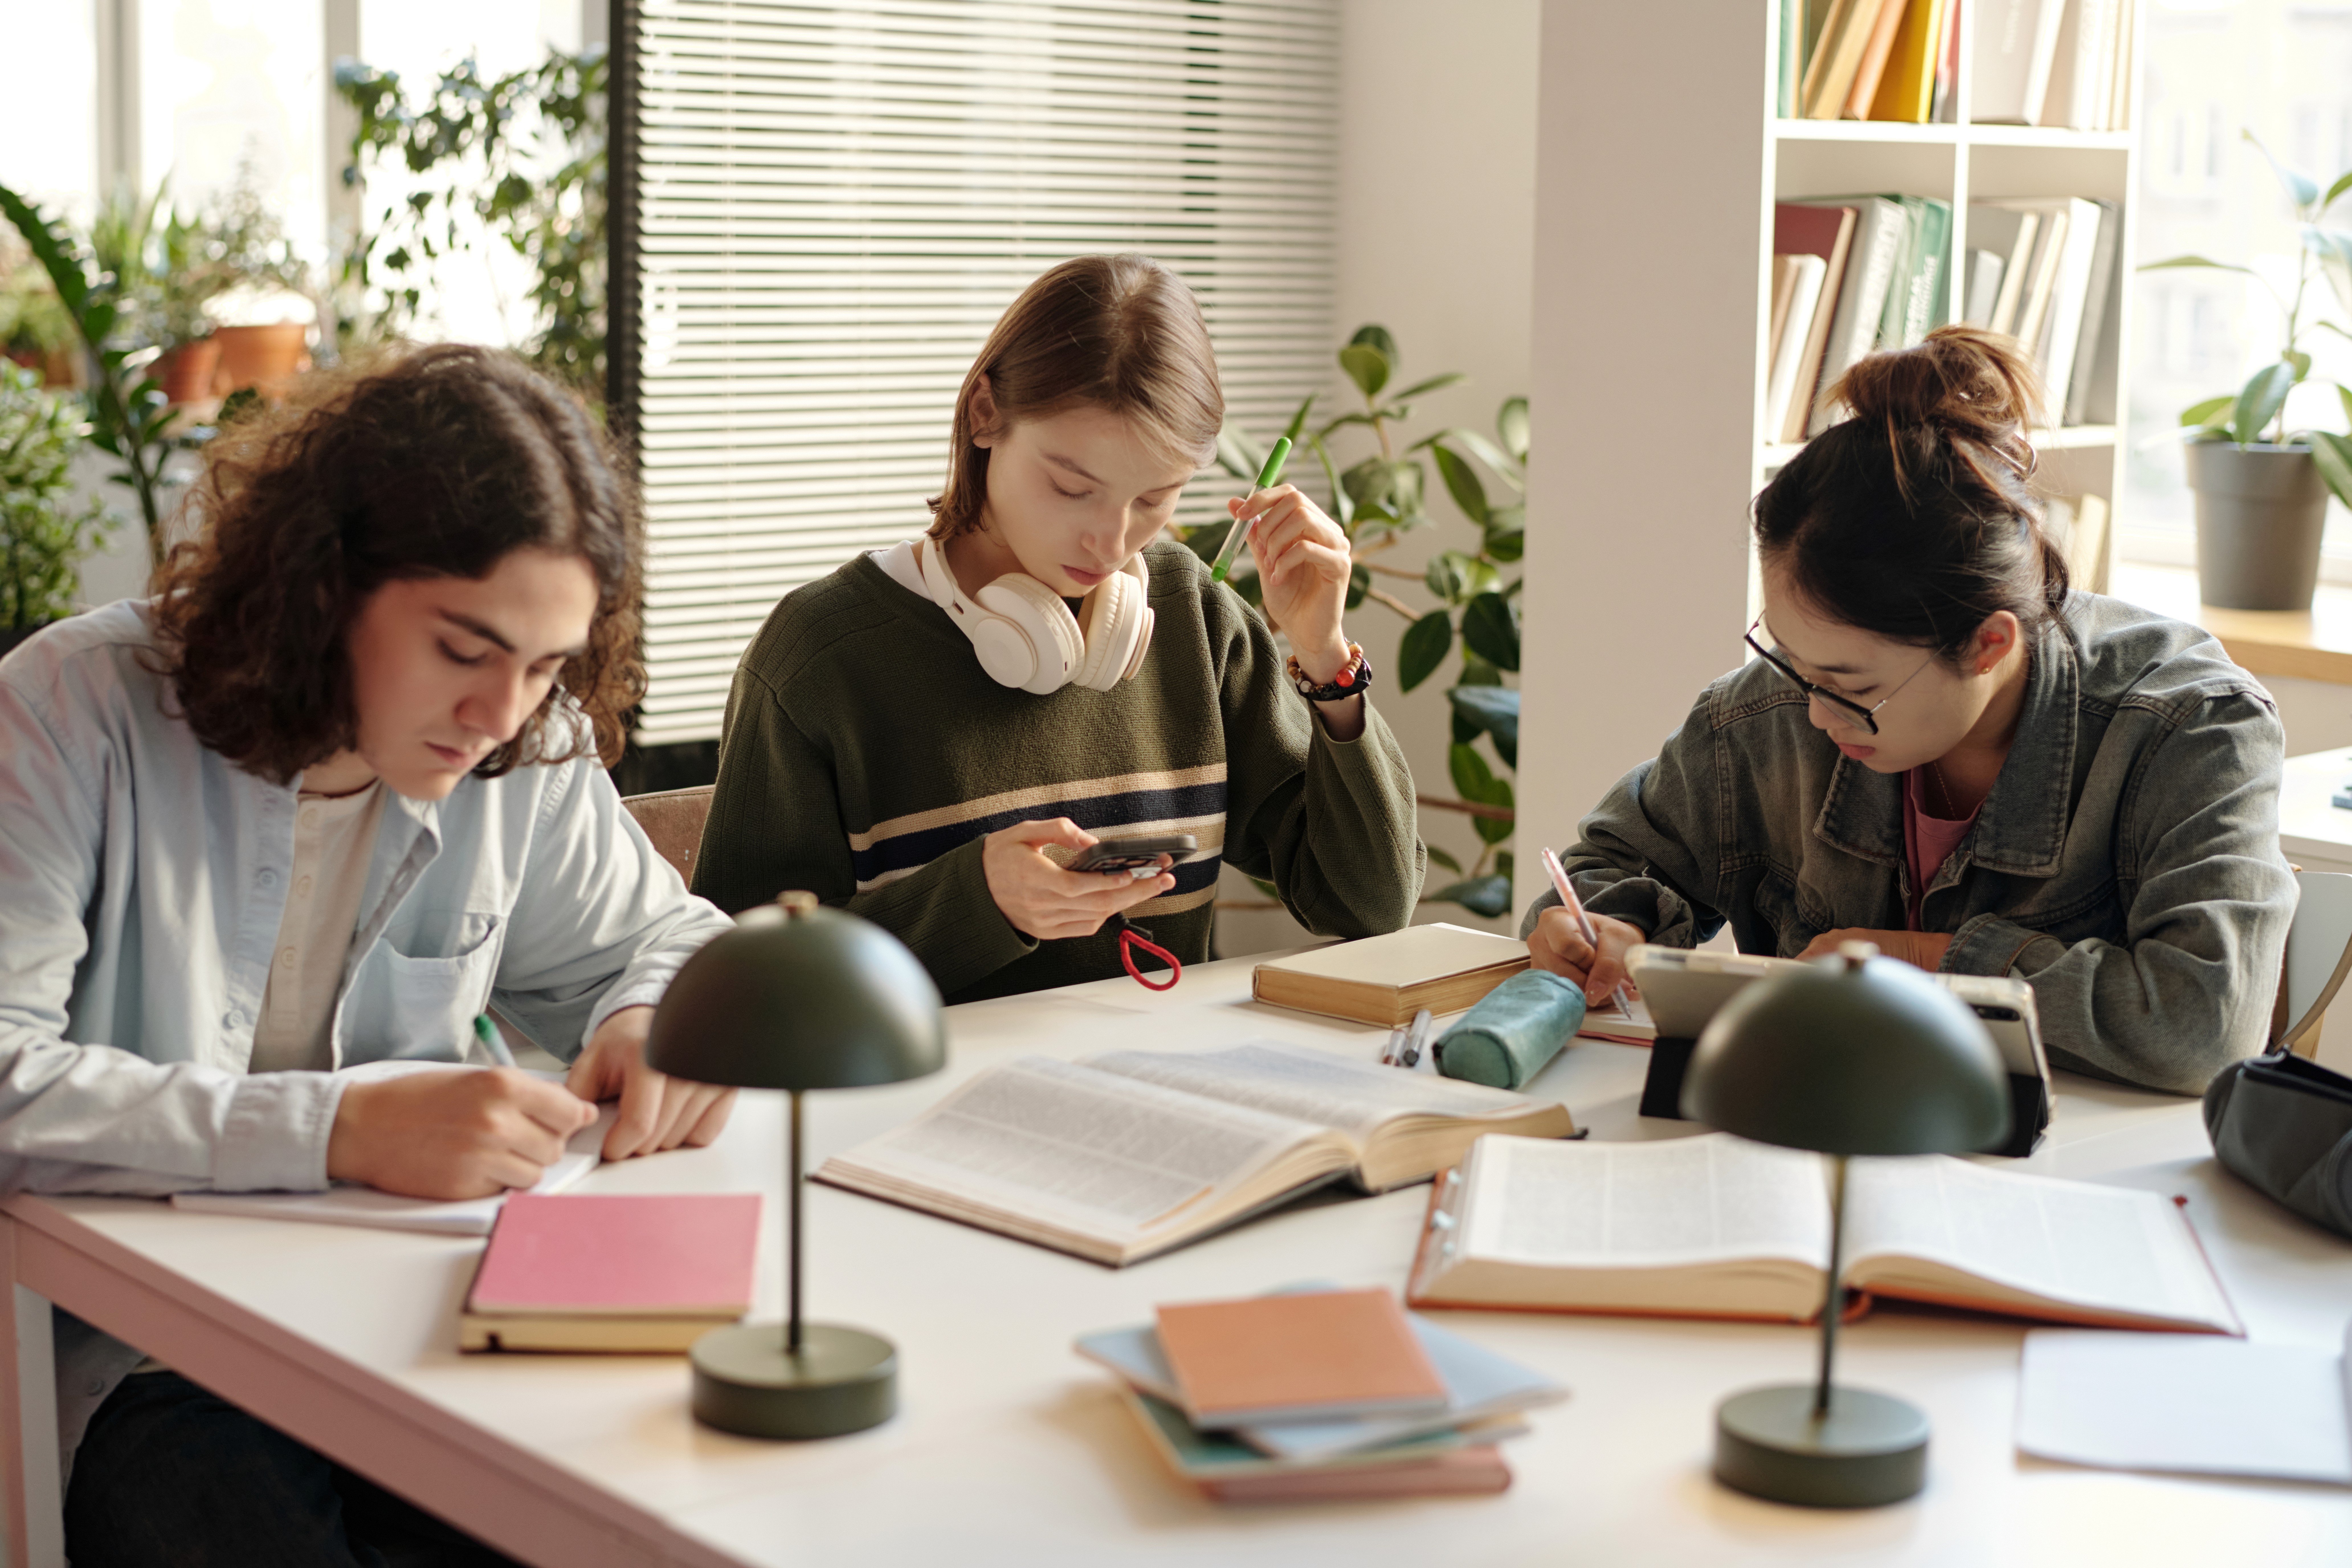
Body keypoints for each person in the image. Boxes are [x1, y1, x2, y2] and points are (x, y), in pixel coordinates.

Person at [0, 344, 738, 1566]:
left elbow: (667, 937)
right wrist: (339, 1130)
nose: (502, 713)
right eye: (464, 649)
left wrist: (653, 1014)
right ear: (323, 585)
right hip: (153, 1356)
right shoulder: (70, 710)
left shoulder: (524, 745)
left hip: (427, 1321)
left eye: (547, 664)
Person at [1524, 326, 2295, 1095]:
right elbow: (1609, 866)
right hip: (1805, 1126)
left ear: (1988, 644)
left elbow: (2204, 1024)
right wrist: (1602, 926)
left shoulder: (2190, 726)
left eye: (1854, 688)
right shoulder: (1774, 708)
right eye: (1790, 661)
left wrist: (1922, 963)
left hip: (2073, 1160)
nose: (1814, 713)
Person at [694, 253, 1423, 999]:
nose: (1112, 542)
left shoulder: (1191, 614)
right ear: (985, 414)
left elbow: (1369, 904)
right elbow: (739, 990)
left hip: (1162, 1067)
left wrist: (1324, 656)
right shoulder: (820, 659)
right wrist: (975, 906)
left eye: (1155, 499)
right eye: (1073, 488)